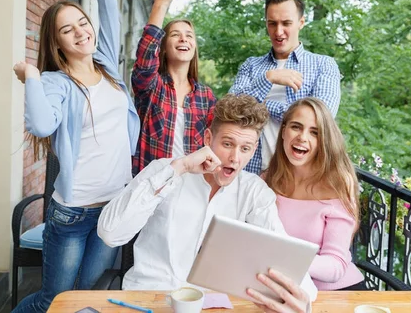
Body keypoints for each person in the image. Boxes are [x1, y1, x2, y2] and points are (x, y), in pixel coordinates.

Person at [11, 0, 139, 312]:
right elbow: (41, 125)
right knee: (55, 301)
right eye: (68, 30)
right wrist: (32, 76)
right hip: (72, 213)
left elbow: (108, 9)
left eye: (82, 23)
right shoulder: (54, 82)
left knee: (83, 298)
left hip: (113, 207)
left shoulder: (108, 67)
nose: (81, 31)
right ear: (57, 41)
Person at [97, 94, 317, 313]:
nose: (235, 158)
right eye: (227, 144)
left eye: (245, 148)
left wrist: (302, 301)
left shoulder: (254, 192)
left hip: (210, 306)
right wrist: (178, 169)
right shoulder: (165, 170)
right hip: (148, 298)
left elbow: (283, 254)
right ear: (208, 138)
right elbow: (110, 233)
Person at [229, 0, 341, 174]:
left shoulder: (324, 65)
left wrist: (262, 106)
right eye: (272, 23)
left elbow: (321, 120)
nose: (279, 32)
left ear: (301, 22)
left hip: (299, 178)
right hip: (250, 173)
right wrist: (269, 78)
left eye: (286, 23)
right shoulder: (251, 66)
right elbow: (230, 109)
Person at [264, 97, 364, 291]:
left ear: (324, 141)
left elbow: (335, 267)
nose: (302, 137)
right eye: (296, 127)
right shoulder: (267, 180)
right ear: (283, 130)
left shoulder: (336, 185)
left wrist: (282, 259)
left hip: (336, 294)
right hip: (279, 290)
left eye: (314, 133)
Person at [131, 0, 216, 175]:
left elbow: (216, 141)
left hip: (190, 187)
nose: (184, 39)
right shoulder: (152, 86)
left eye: (189, 36)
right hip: (151, 187)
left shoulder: (206, 96)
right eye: (175, 35)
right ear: (163, 47)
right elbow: (145, 58)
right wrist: (160, 4)